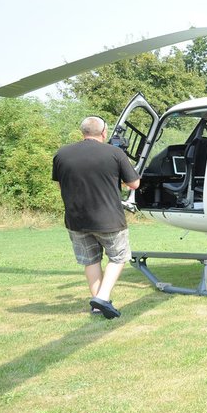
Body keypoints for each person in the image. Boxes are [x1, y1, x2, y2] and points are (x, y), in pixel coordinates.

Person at [52, 116, 141, 319]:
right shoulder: (115, 152)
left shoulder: (62, 154)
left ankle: (97, 305)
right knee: (118, 257)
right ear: (104, 132)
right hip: (109, 219)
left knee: (90, 261)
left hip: (76, 220)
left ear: (82, 131)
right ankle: (102, 297)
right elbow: (134, 184)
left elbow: (60, 185)